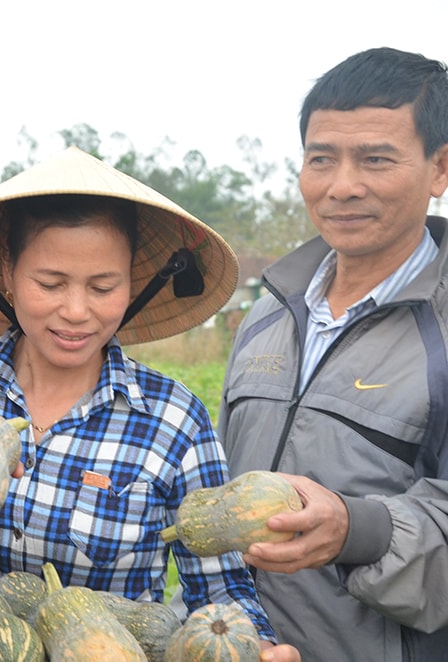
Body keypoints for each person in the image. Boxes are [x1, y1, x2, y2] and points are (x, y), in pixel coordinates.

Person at [0, 145, 300, 659]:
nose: (77, 311)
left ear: (132, 285)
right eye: (50, 283)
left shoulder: (173, 419)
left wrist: (252, 643)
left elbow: (218, 581)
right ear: (8, 275)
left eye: (103, 286)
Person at [219, 47, 448, 662]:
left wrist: (358, 530)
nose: (342, 186)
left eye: (375, 159)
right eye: (322, 159)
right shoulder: (268, 316)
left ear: (440, 167)